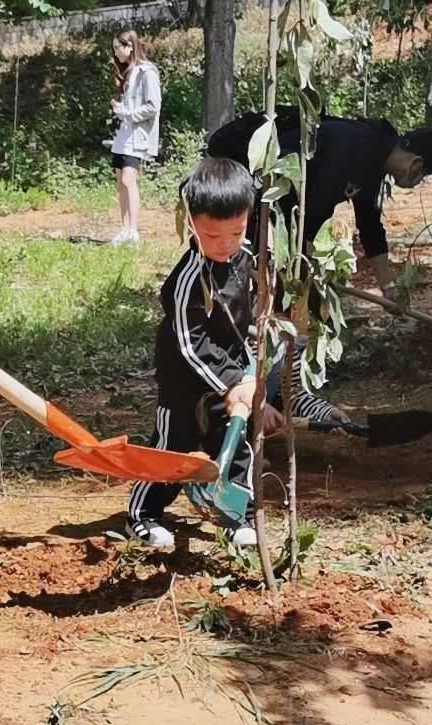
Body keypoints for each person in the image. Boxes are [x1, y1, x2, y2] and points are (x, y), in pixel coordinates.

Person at [126, 158, 286, 550]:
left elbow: (251, 318)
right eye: (212, 235)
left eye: (237, 231)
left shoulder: (248, 260)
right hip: (186, 382)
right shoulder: (185, 282)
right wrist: (231, 386)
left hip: (233, 371)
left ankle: (238, 515)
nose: (226, 244)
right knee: (171, 448)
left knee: (238, 448)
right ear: (192, 223)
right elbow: (190, 346)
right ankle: (143, 515)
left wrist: (250, 382)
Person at [205, 108, 432, 298]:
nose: (418, 181)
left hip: (277, 207)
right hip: (247, 183)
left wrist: (388, 288)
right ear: (416, 164)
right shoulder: (360, 148)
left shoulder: (375, 161)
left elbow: (370, 226)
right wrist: (302, 257)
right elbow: (314, 205)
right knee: (241, 268)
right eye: (424, 174)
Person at [107, 29, 161, 246]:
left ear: (130, 46)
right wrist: (121, 109)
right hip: (124, 135)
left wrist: (126, 112)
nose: (116, 53)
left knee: (129, 180)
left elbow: (153, 106)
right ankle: (124, 228)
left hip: (138, 136)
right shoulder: (130, 72)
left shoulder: (147, 72)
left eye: (118, 48)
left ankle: (133, 230)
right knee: (121, 182)